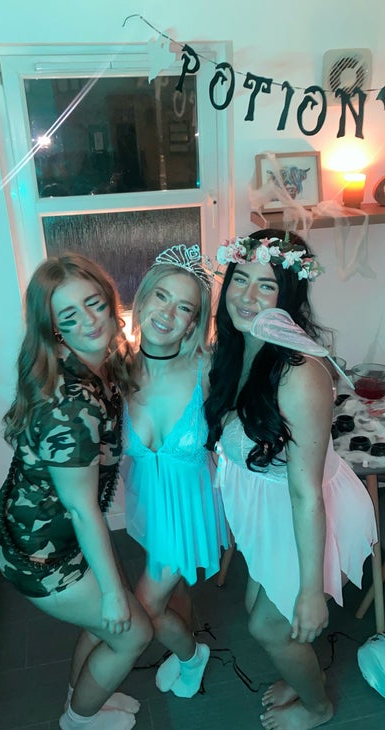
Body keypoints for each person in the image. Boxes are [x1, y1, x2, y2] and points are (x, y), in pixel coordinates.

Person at [205, 229, 377, 730]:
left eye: (267, 285)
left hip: (307, 509)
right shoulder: (237, 345)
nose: (246, 296)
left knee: (269, 624)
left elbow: (306, 493)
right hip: (270, 508)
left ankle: (318, 705)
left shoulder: (298, 372)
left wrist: (310, 591)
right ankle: (299, 671)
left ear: (290, 296)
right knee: (261, 611)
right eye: (240, 279)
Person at [0, 253, 153, 730]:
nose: (89, 321)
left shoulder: (96, 363)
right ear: (54, 329)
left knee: (109, 624)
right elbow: (83, 509)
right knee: (132, 632)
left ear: (109, 299)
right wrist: (111, 592)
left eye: (94, 303)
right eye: (69, 315)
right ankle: (78, 721)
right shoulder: (71, 405)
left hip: (43, 529)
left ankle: (82, 697)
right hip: (40, 553)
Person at [121, 244, 228, 698]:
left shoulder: (208, 368)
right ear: (142, 299)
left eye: (184, 307)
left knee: (143, 610)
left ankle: (191, 656)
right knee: (170, 592)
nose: (168, 313)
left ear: (193, 323)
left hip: (189, 510)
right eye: (161, 297)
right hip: (149, 504)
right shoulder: (117, 370)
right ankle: (185, 640)